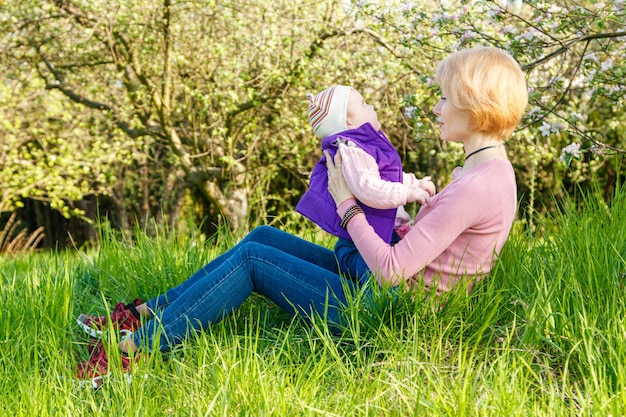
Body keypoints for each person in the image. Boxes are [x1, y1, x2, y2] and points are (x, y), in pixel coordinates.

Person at [75, 46, 528, 388]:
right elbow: (435, 249)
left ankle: (131, 352)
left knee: (254, 261)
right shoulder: (483, 169)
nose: (436, 108)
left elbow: (392, 271)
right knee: (264, 236)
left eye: (445, 99)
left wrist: (347, 203)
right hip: (391, 292)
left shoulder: (477, 184)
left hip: (389, 311)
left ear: (475, 104)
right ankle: (145, 314)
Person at [296, 85, 435, 282]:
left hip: (372, 240)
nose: (372, 107)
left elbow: (386, 178)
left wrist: (415, 182)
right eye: (364, 104)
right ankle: (365, 309)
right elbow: (368, 187)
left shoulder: (363, 147)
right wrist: (408, 192)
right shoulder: (352, 150)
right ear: (348, 121)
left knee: (399, 275)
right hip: (358, 248)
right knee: (382, 284)